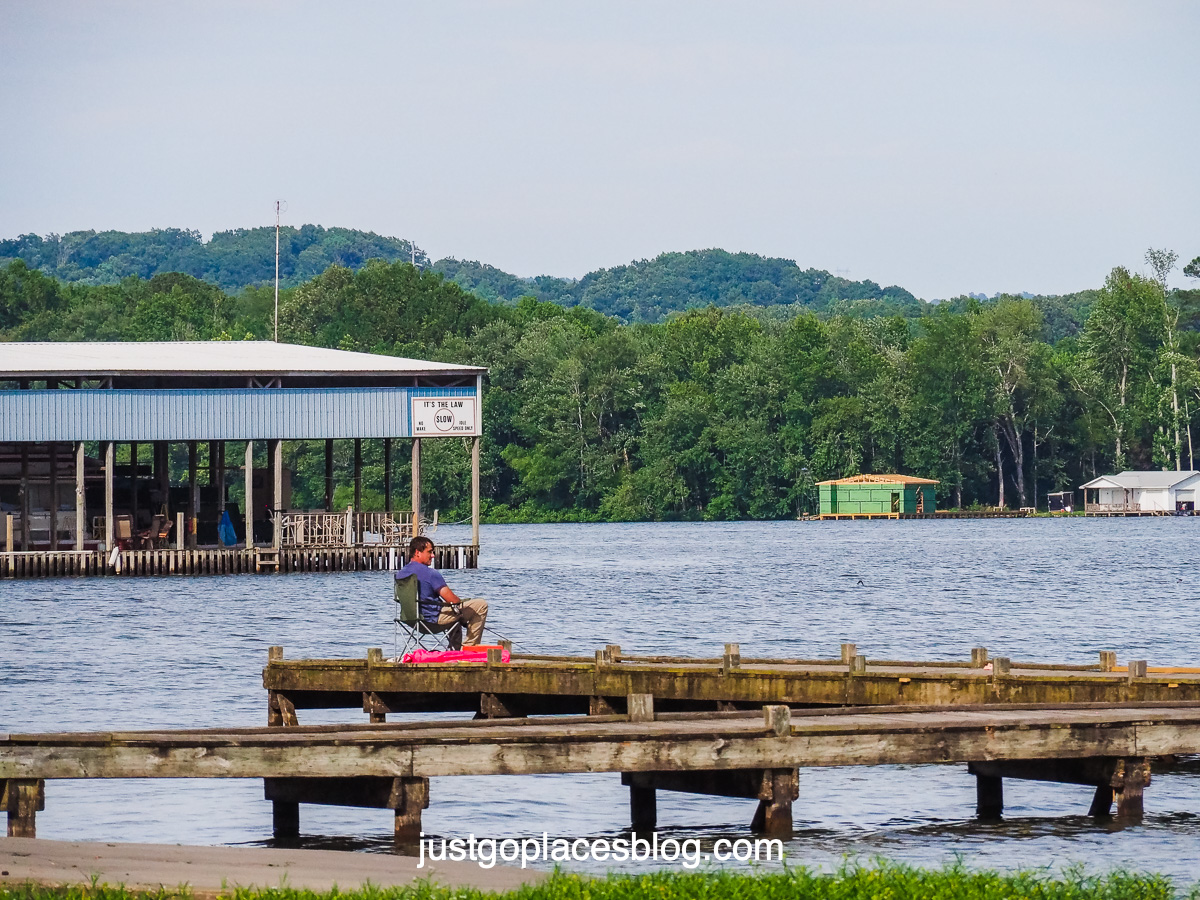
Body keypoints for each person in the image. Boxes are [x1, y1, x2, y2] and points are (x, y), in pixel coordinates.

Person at [396, 536, 489, 647]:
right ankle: (470, 647)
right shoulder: (430, 573)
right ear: (417, 552)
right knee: (480, 605)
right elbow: (453, 600)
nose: (433, 555)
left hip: (411, 620)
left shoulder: (400, 574)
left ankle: (455, 650)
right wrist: (461, 604)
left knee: (455, 615)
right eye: (429, 552)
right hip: (432, 621)